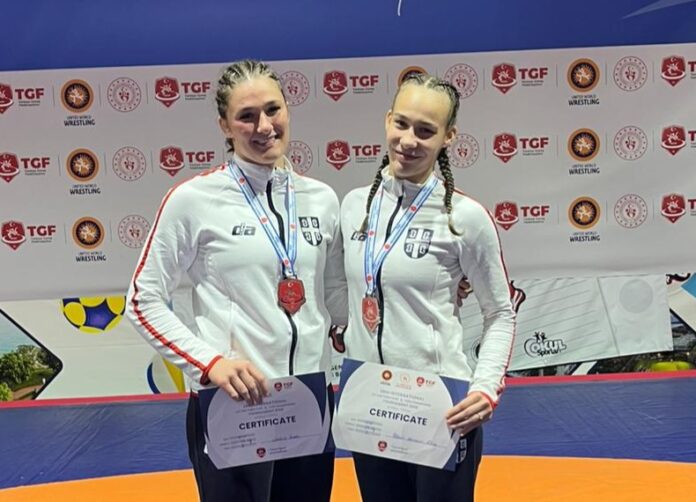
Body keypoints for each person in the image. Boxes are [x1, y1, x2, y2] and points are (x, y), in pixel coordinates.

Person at [126, 60, 346, 502]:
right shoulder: (193, 200)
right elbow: (141, 300)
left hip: (307, 402)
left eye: (273, 109)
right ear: (225, 126)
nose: (264, 126)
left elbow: (337, 296)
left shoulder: (321, 199)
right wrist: (210, 363)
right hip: (234, 402)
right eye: (247, 116)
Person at [340, 73, 516, 502]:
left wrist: (485, 387)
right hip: (371, 405)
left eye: (425, 130)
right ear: (387, 120)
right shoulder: (353, 206)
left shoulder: (463, 217)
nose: (408, 140)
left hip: (441, 409)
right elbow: (338, 291)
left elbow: (500, 313)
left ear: (448, 136)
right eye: (401, 124)